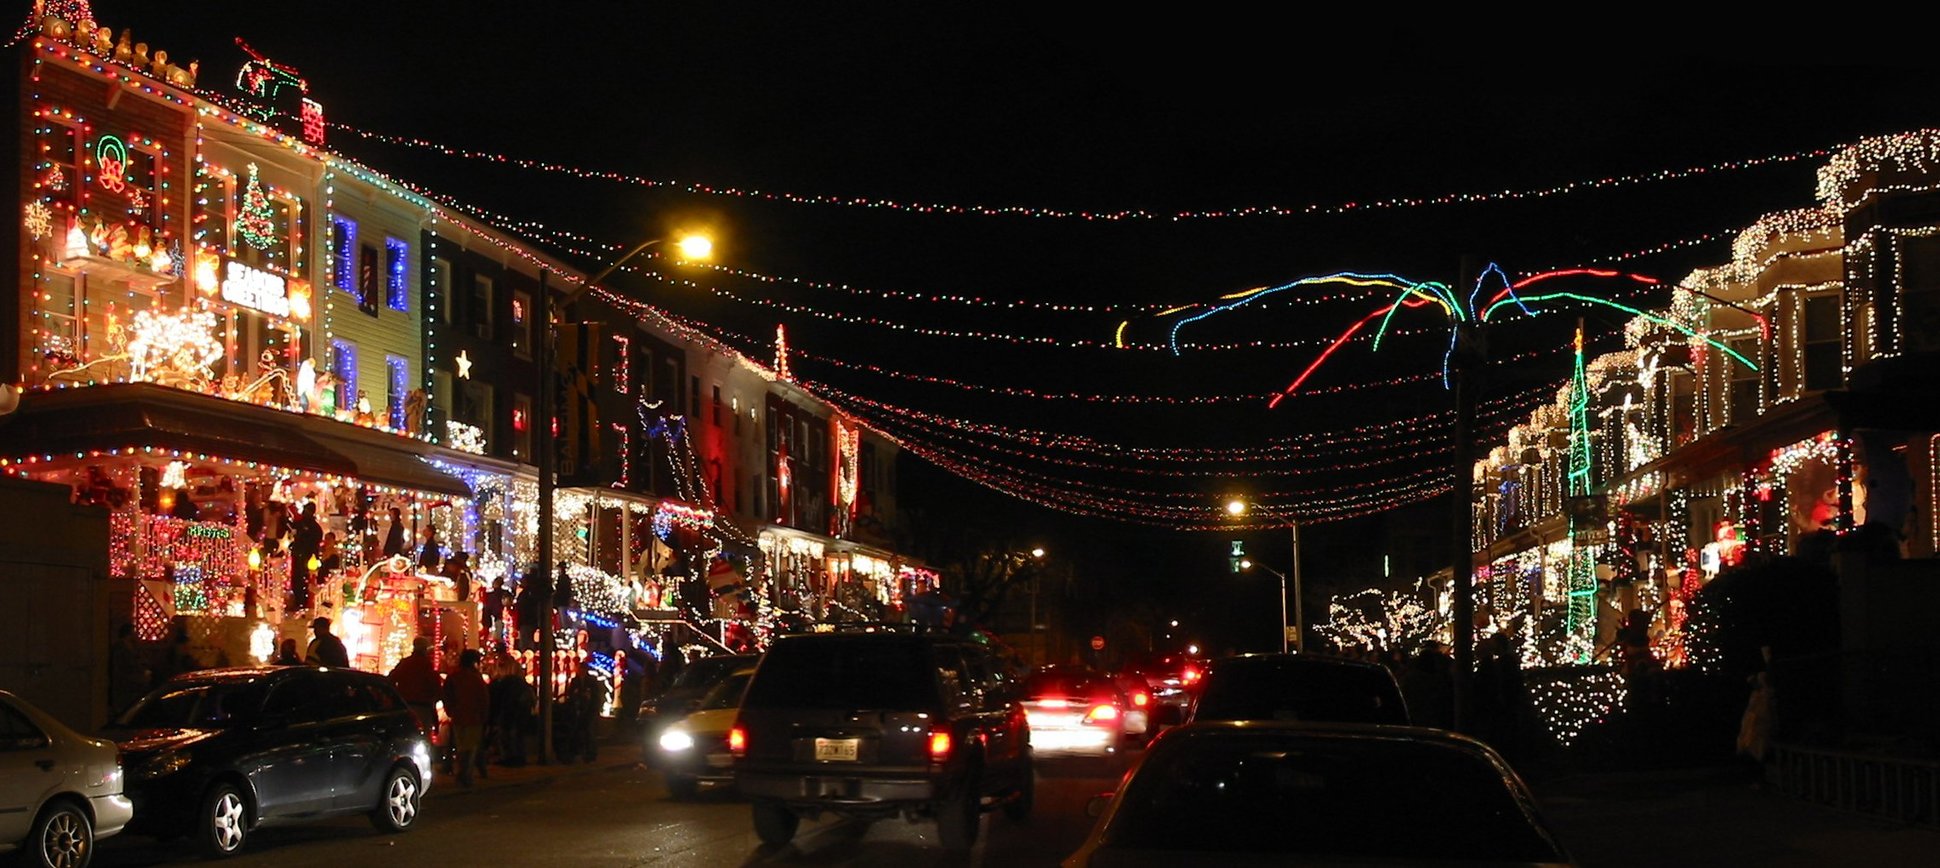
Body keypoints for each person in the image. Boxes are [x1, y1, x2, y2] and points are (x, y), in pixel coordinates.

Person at [442, 649, 490, 787]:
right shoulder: (476, 678)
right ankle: (465, 775)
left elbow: (447, 694)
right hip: (473, 717)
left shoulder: (454, 676)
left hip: (458, 716)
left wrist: (450, 709)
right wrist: (484, 715)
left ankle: (462, 773)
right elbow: (483, 698)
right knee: (470, 747)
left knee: (462, 746)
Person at [388, 635, 443, 735]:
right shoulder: (427, 666)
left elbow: (391, 679)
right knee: (423, 736)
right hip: (423, 707)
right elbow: (436, 687)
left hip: (405, 706)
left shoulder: (405, 663)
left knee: (405, 734)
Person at [559, 659, 609, 763]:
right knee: (577, 730)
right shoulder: (575, 680)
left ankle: (590, 753)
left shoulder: (592, 680)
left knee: (589, 731)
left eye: (582, 669)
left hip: (590, 709)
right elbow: (570, 693)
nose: (580, 671)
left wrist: (593, 703)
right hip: (579, 709)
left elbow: (596, 695)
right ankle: (577, 752)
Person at [288, 502, 323, 609]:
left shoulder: (314, 527)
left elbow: (314, 541)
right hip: (299, 554)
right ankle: (299, 601)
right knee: (297, 578)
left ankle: (304, 601)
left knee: (304, 579)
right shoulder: (302, 523)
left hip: (306, 557)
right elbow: (292, 527)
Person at [109, 623, 150, 714]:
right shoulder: (120, 648)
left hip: (133, 684)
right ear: (129, 633)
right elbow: (123, 667)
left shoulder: (132, 646)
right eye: (133, 632)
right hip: (125, 685)